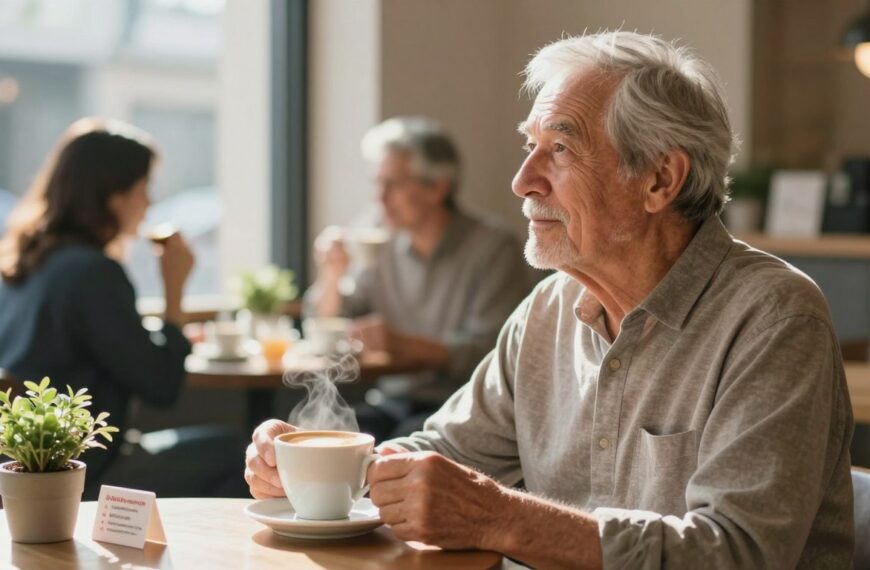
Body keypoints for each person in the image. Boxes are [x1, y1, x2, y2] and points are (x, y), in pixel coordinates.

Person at [246, 32, 854, 568]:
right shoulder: (548, 309)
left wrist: (501, 518)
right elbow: (445, 452)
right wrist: (321, 468)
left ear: (660, 180)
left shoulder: (773, 317)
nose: (522, 180)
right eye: (528, 146)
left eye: (560, 149)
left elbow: (738, 553)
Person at [0, 118, 245, 499]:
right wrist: (175, 291)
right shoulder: (93, 272)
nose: (148, 202)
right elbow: (162, 386)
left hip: (28, 472)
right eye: (143, 187)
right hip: (86, 473)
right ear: (113, 196)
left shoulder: (26, 264)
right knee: (242, 452)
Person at [304, 117, 531, 440]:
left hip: (459, 405)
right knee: (320, 437)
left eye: (393, 184)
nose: (379, 199)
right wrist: (331, 273)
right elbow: (325, 321)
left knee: (398, 448)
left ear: (437, 188)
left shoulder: (493, 247)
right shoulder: (379, 239)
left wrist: (403, 345)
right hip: (390, 401)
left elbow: (492, 351)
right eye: (376, 183)